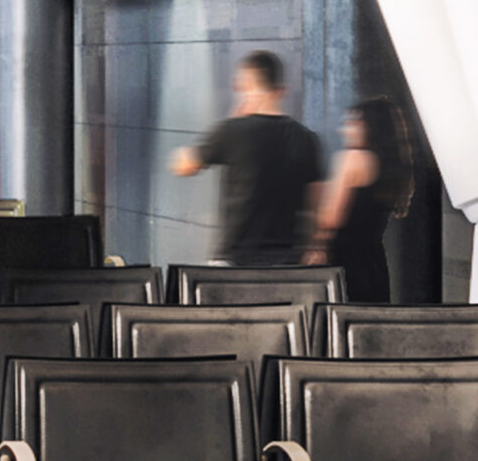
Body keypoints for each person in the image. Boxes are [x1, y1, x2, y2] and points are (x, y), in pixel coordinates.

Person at [171, 49, 326, 266]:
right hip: (287, 261)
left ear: (243, 85)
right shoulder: (307, 139)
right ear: (281, 90)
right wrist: (316, 245)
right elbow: (317, 203)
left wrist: (233, 117)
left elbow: (184, 165)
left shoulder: (231, 131)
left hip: (235, 259)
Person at [309, 96, 415, 302]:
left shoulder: (352, 158)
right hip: (374, 264)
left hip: (343, 265)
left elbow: (330, 217)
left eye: (352, 122)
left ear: (370, 126)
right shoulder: (392, 168)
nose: (344, 130)